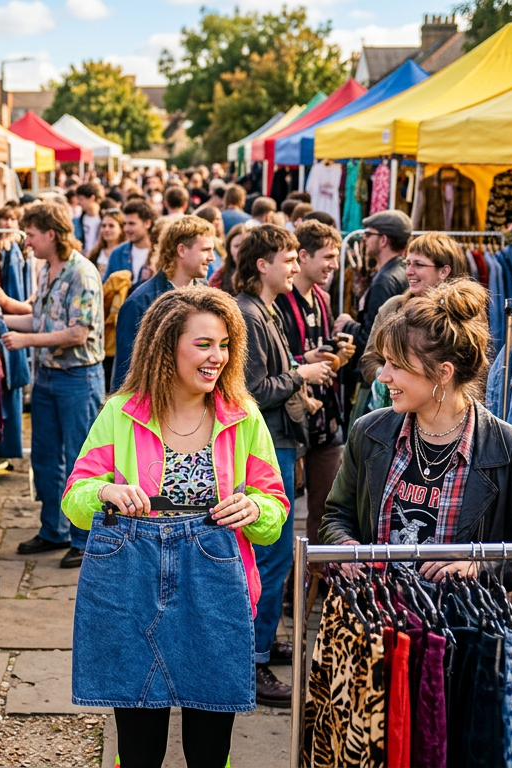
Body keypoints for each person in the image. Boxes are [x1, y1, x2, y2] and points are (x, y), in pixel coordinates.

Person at [62, 286, 289, 768]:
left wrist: (256, 509)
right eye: (204, 344)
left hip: (217, 589)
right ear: (167, 347)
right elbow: (75, 499)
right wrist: (105, 493)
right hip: (131, 586)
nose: (218, 357)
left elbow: (275, 508)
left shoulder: (243, 416)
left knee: (210, 748)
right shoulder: (120, 413)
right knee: (139, 745)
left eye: (225, 344)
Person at [319, 280, 512, 587]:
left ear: (443, 373)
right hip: (379, 620)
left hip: (463, 625)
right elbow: (337, 515)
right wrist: (345, 547)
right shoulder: (369, 433)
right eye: (385, 363)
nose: (383, 376)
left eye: (397, 365)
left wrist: (478, 566)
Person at [233, 224, 335, 706]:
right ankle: (251, 660)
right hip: (267, 442)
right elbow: (252, 389)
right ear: (262, 265)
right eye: (289, 259)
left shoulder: (263, 310)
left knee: (273, 551)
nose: (296, 267)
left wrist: (300, 360)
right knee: (269, 552)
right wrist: (302, 374)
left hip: (278, 439)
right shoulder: (250, 313)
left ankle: (262, 641)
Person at [2, 203, 105, 569]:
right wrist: (1, 317)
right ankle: (54, 529)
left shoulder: (83, 274)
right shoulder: (47, 270)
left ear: (51, 233)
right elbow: (40, 319)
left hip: (78, 378)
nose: (26, 242)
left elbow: (79, 332)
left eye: (31, 234)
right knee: (45, 457)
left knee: (81, 459)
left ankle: (83, 538)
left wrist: (25, 341)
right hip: (48, 376)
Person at [276, 221, 356, 547]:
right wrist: (304, 360)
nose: (334, 265)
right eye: (329, 256)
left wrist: (338, 355)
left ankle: (314, 585)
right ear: (304, 257)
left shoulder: (322, 298)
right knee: (279, 512)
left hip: (324, 421)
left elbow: (319, 349)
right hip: (290, 422)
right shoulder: (280, 298)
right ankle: (282, 588)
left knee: (325, 508)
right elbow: (273, 362)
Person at [112, 215, 217, 387]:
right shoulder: (140, 303)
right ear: (181, 250)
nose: (212, 257)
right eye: (205, 250)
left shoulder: (205, 292)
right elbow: (125, 374)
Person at [358, 232, 471, 385]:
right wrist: (390, 379)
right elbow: (370, 359)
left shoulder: (464, 315)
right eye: (407, 263)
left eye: (418, 264)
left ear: (444, 271)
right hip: (396, 404)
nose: (408, 271)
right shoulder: (393, 307)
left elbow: (471, 371)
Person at [335, 209, 411, 343]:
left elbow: (372, 338)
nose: (364, 238)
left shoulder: (385, 281)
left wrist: (347, 325)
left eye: (368, 233)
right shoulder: (404, 269)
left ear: (383, 240)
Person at [104, 199, 156, 286]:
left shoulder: (159, 254)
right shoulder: (117, 254)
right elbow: (106, 287)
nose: (126, 229)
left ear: (147, 223)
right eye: (125, 224)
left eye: (132, 224)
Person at [209, 222, 252, 293]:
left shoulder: (263, 275)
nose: (240, 250)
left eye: (245, 245)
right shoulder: (218, 278)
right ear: (229, 249)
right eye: (236, 246)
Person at [86, 208, 126, 276]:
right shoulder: (95, 253)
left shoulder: (125, 253)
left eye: (111, 226)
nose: (106, 229)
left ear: (121, 229)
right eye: (103, 226)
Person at [72, 182, 104, 253]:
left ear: (92, 198)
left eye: (81, 199)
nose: (79, 202)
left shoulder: (105, 221)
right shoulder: (76, 222)